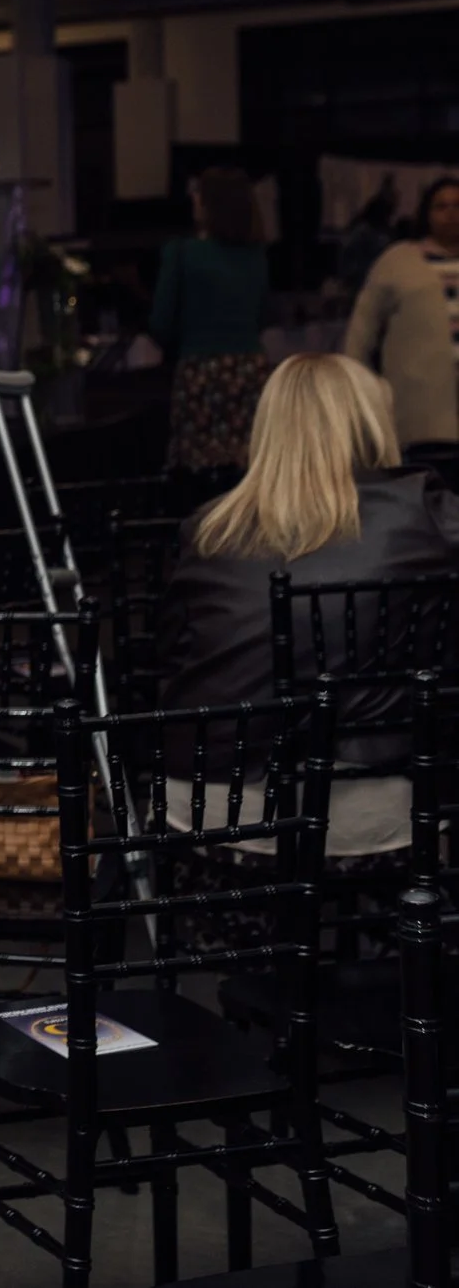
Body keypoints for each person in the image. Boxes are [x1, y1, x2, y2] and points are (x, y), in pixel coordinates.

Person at [157, 355, 458, 919]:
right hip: (366, 809)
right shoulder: (424, 511)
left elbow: (169, 661)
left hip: (208, 803)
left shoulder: (209, 528)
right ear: (372, 421)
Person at [150, 169, 272, 488]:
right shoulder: (257, 256)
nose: (193, 198)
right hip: (250, 373)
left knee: (199, 479)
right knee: (246, 475)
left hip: (201, 373)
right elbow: (262, 316)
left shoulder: (181, 254)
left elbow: (160, 324)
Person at [345, 175, 459, 464]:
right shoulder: (398, 262)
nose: (451, 213)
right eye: (441, 206)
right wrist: (356, 393)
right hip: (422, 415)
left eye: (457, 205)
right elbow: (361, 332)